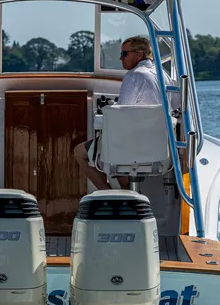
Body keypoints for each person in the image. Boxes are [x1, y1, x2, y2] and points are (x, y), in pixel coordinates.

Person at [73, 36, 172, 191]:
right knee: (119, 148)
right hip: (160, 149)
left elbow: (122, 113)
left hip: (133, 145)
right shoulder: (163, 75)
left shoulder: (134, 75)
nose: (121, 58)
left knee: (80, 152)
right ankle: (127, 192)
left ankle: (110, 195)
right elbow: (176, 105)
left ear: (139, 55)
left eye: (124, 54)